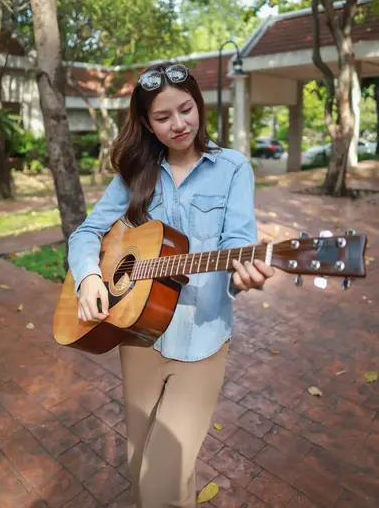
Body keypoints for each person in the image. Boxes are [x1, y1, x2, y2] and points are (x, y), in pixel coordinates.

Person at [68, 62, 275, 508]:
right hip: (139, 336)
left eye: (186, 109)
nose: (179, 124)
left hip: (202, 341)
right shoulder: (135, 172)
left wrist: (245, 271)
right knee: (140, 460)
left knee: (159, 479)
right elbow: (87, 233)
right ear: (147, 123)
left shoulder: (233, 168)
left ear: (199, 105)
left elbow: (238, 240)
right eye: (163, 118)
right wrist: (88, 277)